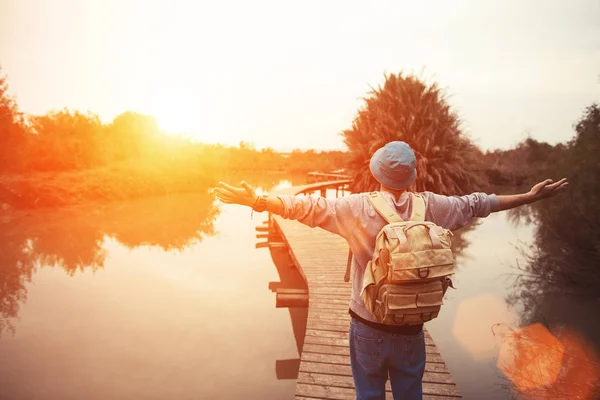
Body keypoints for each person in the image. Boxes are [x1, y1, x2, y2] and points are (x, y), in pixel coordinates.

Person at [213, 141, 568, 400]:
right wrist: (530, 197)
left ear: (376, 173)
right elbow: (478, 204)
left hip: (366, 324)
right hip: (412, 328)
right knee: (410, 394)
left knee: (369, 394)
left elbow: (305, 207)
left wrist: (258, 201)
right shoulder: (434, 206)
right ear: (412, 175)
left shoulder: (355, 208)